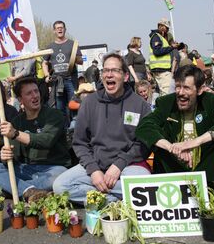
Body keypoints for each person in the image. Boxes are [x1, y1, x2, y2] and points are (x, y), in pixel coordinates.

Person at [53, 53, 151, 204]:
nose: (109, 75)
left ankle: (101, 197)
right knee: (60, 186)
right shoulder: (89, 103)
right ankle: (113, 201)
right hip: (96, 165)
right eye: (105, 70)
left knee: (145, 184)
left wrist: (119, 164)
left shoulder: (140, 105)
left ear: (125, 76)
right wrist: (93, 171)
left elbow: (144, 143)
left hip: (127, 167)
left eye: (115, 70)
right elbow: (80, 143)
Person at [135, 65, 214, 185]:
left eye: (186, 88)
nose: (180, 93)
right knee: (156, 138)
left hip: (208, 169)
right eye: (177, 87)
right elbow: (144, 126)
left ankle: (209, 186)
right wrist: (173, 148)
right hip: (175, 170)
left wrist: (194, 142)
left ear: (200, 89)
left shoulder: (211, 101)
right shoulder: (165, 103)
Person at [0, 77, 70, 202]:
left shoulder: (55, 115)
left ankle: (17, 189)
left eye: (36, 91)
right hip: (27, 169)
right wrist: (5, 157)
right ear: (20, 100)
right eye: (29, 93)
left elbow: (46, 141)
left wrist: (15, 134)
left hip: (53, 168)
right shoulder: (17, 121)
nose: (35, 96)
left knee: (60, 177)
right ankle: (30, 191)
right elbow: (14, 157)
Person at [43, 20, 83, 117]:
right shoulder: (50, 47)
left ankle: (75, 128)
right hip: (57, 81)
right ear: (54, 31)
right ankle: (63, 129)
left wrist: (75, 59)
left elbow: (81, 61)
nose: (60, 29)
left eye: (61, 27)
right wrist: (46, 75)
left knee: (74, 105)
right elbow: (44, 63)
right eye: (57, 28)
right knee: (60, 108)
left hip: (70, 79)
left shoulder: (73, 44)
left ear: (65, 29)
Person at [148, 18, 177, 96]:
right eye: (166, 28)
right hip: (161, 69)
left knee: (164, 93)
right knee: (167, 94)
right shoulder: (156, 37)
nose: (167, 30)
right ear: (161, 27)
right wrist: (171, 47)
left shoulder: (160, 38)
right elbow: (157, 52)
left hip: (161, 69)